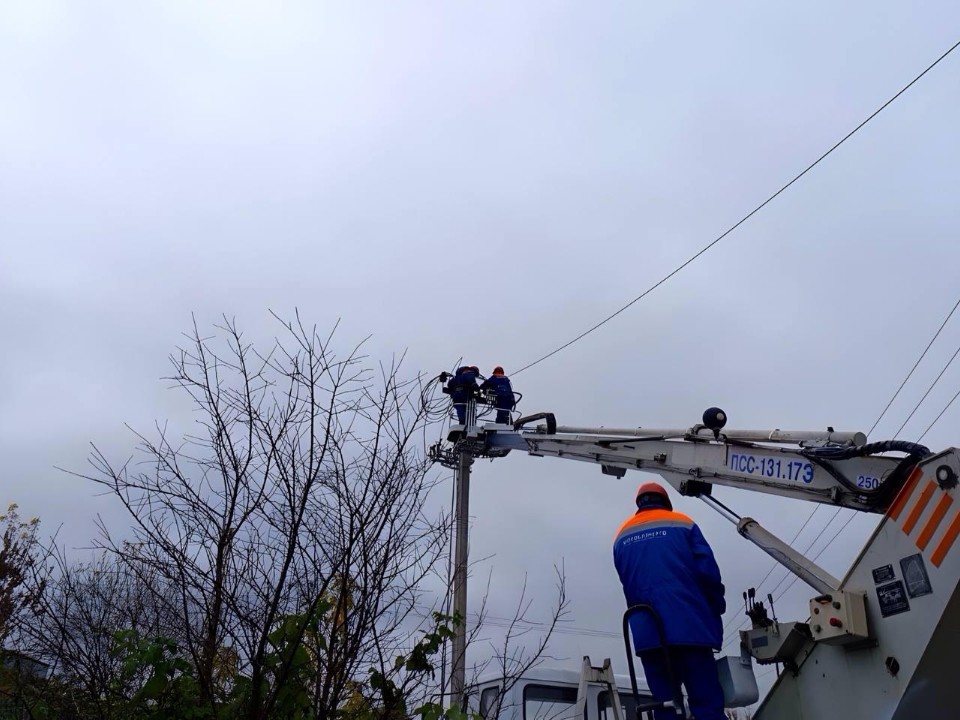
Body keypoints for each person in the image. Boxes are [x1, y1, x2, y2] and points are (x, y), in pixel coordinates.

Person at [613, 482, 726, 720]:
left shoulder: (621, 536)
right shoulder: (683, 523)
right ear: (665, 501)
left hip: (648, 636)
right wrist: (717, 605)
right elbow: (708, 574)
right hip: (690, 630)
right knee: (706, 704)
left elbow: (629, 583)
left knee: (664, 707)